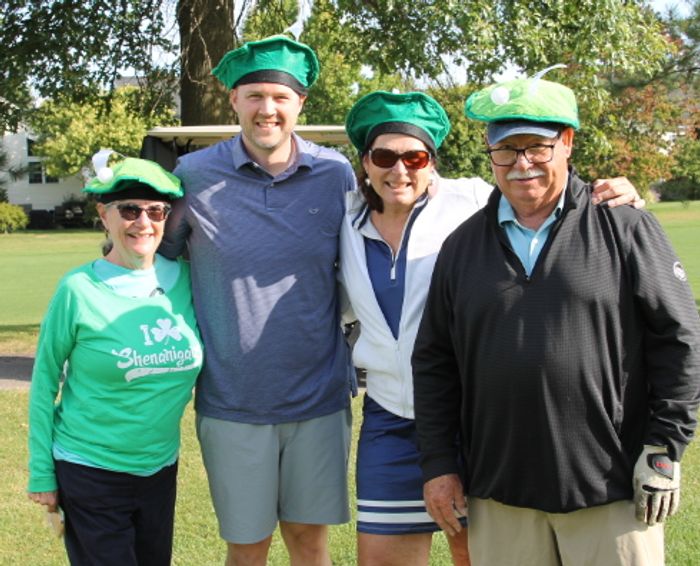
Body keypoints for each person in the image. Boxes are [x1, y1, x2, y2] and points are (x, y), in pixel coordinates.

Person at [340, 90, 646, 566]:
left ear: (432, 161)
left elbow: (545, 194)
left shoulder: (473, 201)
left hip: (472, 419)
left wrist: (623, 194)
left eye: (414, 156)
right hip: (390, 416)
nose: (399, 170)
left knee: (474, 552)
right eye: (384, 156)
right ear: (365, 162)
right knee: (381, 558)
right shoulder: (344, 216)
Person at [412, 74, 700, 566]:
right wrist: (440, 465)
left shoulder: (625, 226)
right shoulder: (462, 248)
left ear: (566, 143)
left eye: (538, 147)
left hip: (610, 489)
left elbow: (680, 340)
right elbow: (435, 363)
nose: (522, 164)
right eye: (507, 149)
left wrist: (663, 447)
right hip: (500, 495)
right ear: (490, 152)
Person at [159, 36, 355, 566]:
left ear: (300, 105)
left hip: (319, 397)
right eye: (254, 96)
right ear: (233, 102)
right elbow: (157, 259)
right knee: (246, 549)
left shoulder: (336, 174)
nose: (267, 109)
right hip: (232, 401)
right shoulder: (194, 176)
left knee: (310, 546)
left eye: (280, 97)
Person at [27, 152, 204, 565]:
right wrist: (41, 472)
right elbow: (44, 381)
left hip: (159, 469)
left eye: (157, 211)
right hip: (90, 468)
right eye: (129, 210)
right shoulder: (77, 289)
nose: (144, 223)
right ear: (103, 215)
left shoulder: (186, 281)